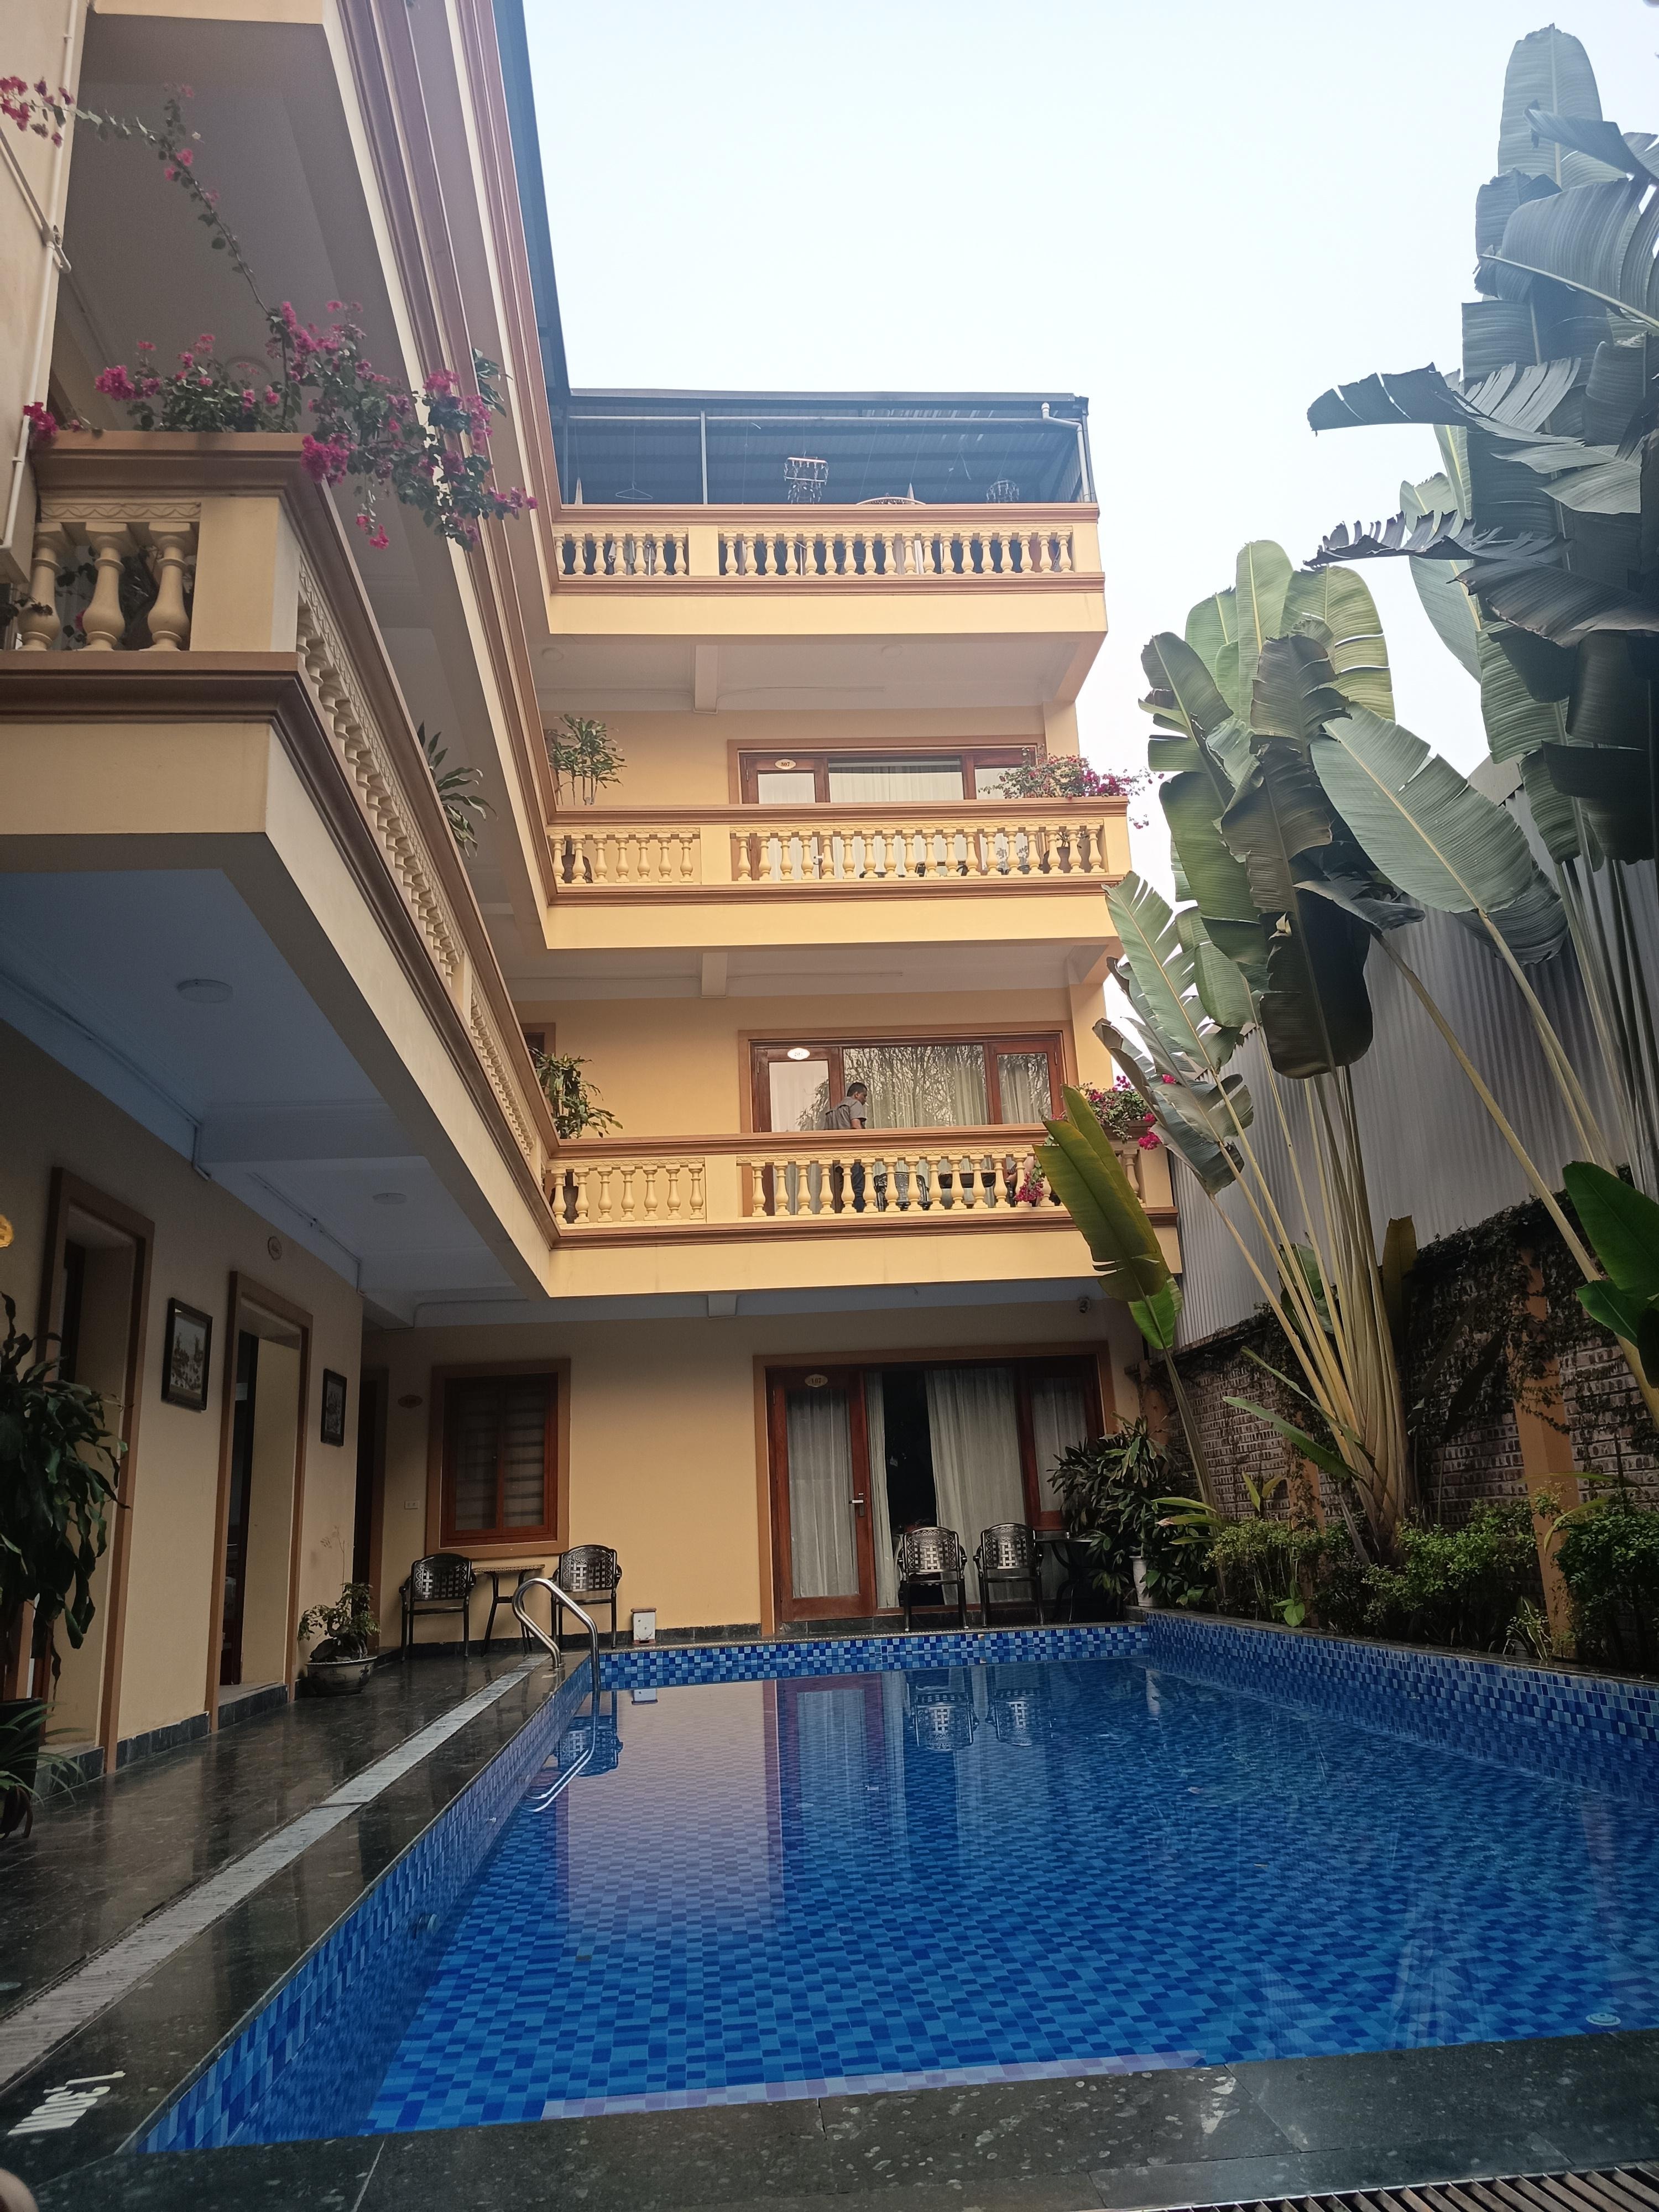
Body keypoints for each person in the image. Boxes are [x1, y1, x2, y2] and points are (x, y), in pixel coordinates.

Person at [825, 1081, 869, 1210]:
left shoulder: (832, 1112)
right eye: (864, 1096)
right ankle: (859, 1218)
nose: (865, 1100)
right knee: (858, 1191)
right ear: (857, 1094)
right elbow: (856, 1126)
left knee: (845, 1193)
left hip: (839, 1160)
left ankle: (847, 1215)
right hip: (854, 1156)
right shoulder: (855, 1104)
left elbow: (826, 1136)